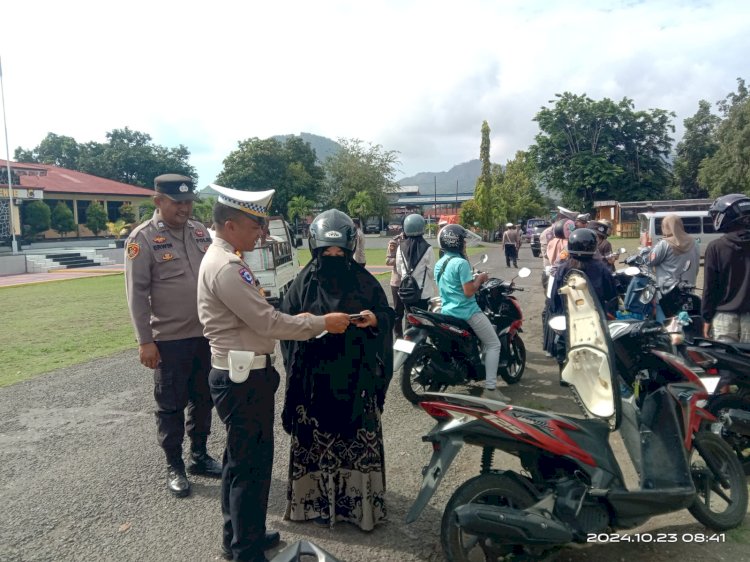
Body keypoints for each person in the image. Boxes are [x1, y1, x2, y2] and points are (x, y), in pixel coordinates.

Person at [197, 185, 350, 562]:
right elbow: (266, 323)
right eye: (255, 225)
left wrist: (294, 319)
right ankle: (245, 550)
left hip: (239, 373)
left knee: (238, 462)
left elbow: (255, 318)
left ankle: (239, 535)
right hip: (244, 378)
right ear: (230, 225)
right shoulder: (228, 267)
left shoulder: (224, 257)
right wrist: (320, 323)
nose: (261, 233)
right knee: (251, 467)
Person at [280, 209, 394, 532]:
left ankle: (360, 510)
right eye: (326, 252)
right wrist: (304, 324)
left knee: (357, 446)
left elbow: (387, 316)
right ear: (315, 250)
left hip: (356, 384)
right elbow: (284, 326)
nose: (332, 257)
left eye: (339, 252)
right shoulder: (301, 283)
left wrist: (375, 320)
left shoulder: (365, 282)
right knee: (312, 447)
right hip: (313, 388)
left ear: (348, 250)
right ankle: (312, 505)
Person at [124, 173, 221, 498]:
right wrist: (144, 340)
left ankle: (199, 456)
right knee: (170, 405)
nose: (184, 208)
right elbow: (137, 294)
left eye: (188, 202)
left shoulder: (199, 231)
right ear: (158, 201)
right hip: (168, 339)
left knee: (203, 398)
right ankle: (174, 466)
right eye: (177, 202)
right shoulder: (143, 238)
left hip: (205, 335)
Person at [434, 224, 510, 402]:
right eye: (463, 242)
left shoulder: (440, 262)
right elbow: (469, 291)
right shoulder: (461, 263)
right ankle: (490, 387)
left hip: (447, 310)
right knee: (493, 344)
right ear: (457, 243)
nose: (465, 245)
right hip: (467, 312)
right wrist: (480, 278)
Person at [548, 229, 619, 366]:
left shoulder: (563, 269)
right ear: (593, 246)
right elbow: (611, 295)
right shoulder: (602, 268)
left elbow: (555, 296)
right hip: (595, 316)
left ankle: (563, 369)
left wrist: (556, 313)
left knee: (563, 340)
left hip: (570, 315)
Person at [702, 194, 750, 342]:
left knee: (726, 363)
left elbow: (710, 287)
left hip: (724, 316)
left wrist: (706, 318)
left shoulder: (716, 247)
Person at [648, 214, 700, 322]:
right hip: (688, 290)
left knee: (666, 326)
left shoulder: (664, 244)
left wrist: (645, 247)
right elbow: (697, 266)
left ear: (666, 227)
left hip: (667, 293)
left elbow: (650, 260)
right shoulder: (694, 243)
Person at [395, 214, 437, 311]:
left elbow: (399, 269)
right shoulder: (427, 248)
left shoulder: (400, 247)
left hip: (406, 292)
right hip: (423, 292)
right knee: (423, 319)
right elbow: (431, 272)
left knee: (408, 317)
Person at [386, 227, 406, 338]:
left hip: (410, 282)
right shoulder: (395, 241)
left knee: (410, 313)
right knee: (398, 312)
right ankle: (398, 336)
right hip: (397, 282)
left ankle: (410, 337)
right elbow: (388, 260)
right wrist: (401, 259)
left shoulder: (414, 240)